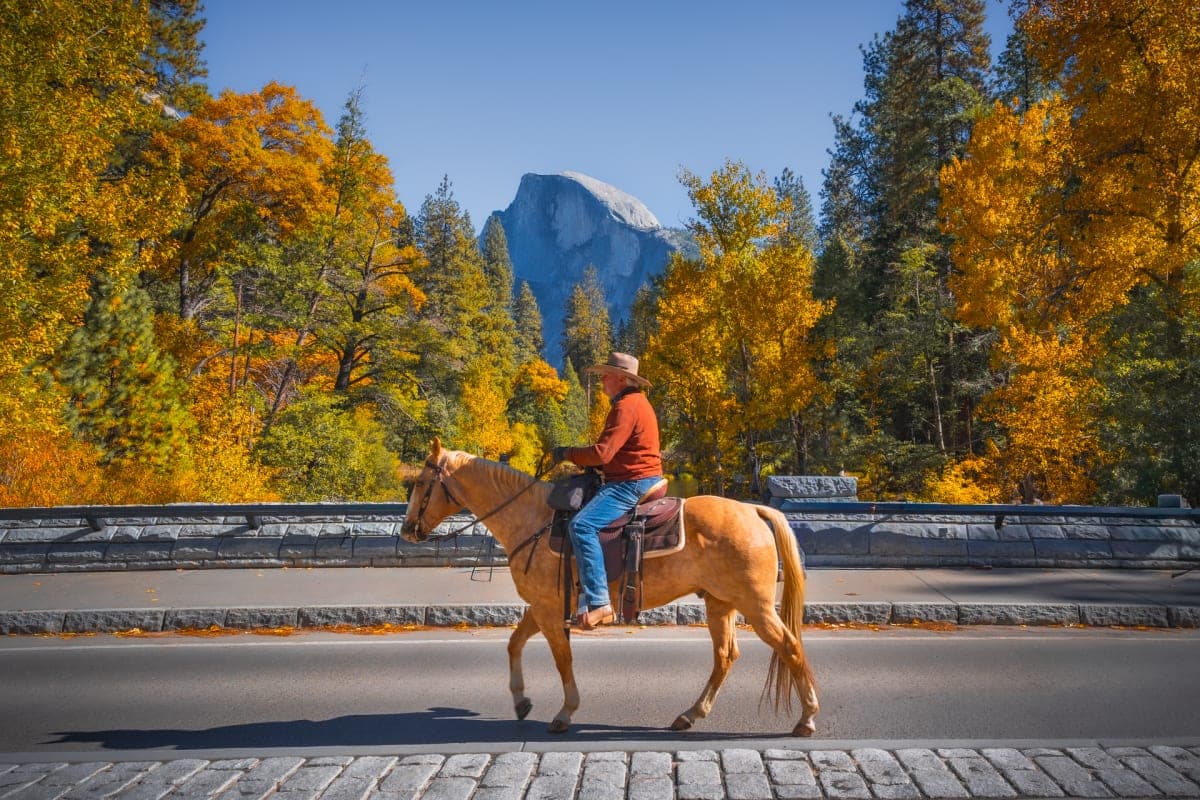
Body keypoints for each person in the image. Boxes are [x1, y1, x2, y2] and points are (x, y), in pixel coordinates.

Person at [552, 352, 663, 629]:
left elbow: (603, 453)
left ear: (623, 379)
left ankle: (600, 602)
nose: (602, 378)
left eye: (607, 374)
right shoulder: (636, 403)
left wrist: (567, 453)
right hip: (638, 477)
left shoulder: (626, 407)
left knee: (581, 526)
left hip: (631, 482)